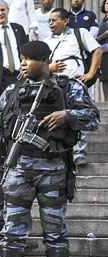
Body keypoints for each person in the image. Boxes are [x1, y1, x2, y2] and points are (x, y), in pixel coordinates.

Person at [0, 41, 99, 257]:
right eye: (22, 59)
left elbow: (93, 118)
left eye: (28, 59)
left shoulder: (68, 87)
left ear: (44, 61)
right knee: (12, 232)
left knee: (56, 232)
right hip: (18, 169)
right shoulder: (13, 90)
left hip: (52, 168)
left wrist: (67, 115)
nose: (23, 63)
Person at [46, 8, 102, 166]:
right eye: (49, 21)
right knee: (57, 118)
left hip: (75, 83)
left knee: (78, 114)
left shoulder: (80, 33)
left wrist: (90, 74)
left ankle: (79, 153)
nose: (51, 23)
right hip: (54, 85)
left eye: (54, 20)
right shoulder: (47, 40)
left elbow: (97, 50)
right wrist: (50, 68)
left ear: (65, 21)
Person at [98, 0, 108, 101]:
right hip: (104, 53)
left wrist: (98, 38)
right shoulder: (104, 20)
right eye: (107, 3)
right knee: (104, 79)